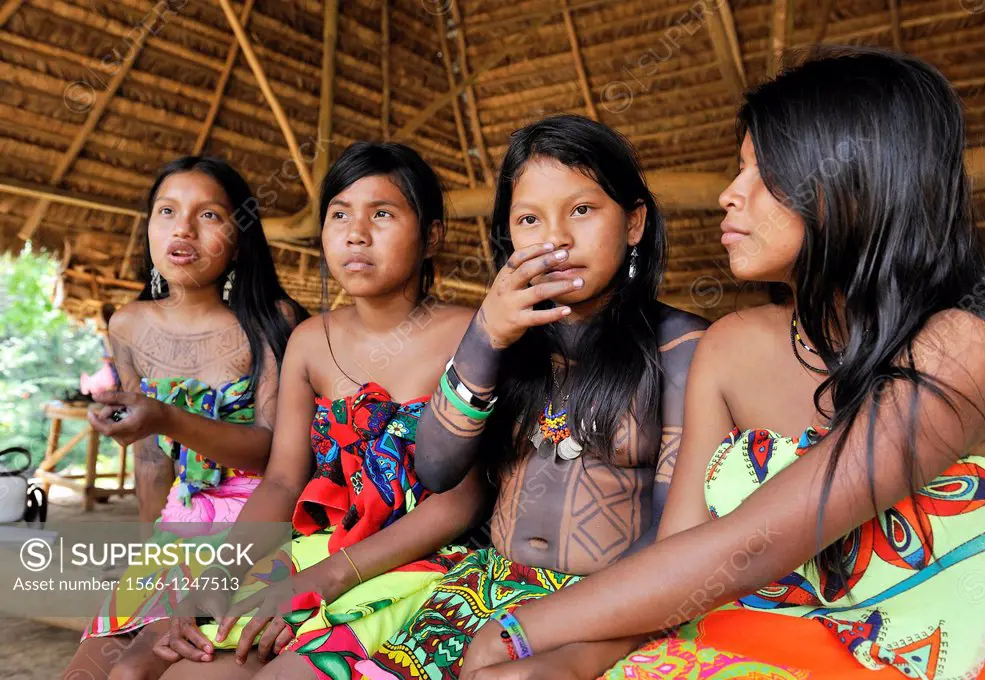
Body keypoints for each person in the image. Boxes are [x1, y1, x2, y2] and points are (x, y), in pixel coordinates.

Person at [454, 48, 985, 680]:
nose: (729, 194)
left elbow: (751, 545)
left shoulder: (964, 346)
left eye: (763, 173)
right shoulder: (730, 348)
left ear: (857, 184)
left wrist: (525, 628)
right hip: (747, 639)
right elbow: (680, 562)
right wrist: (570, 663)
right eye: (738, 169)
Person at [357, 114, 708, 680]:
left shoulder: (683, 348)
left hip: (613, 605)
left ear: (635, 221)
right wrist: (486, 335)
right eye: (529, 219)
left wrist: (559, 632)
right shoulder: (501, 344)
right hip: (483, 587)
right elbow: (437, 469)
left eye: (583, 210)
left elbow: (679, 534)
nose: (556, 239)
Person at [152, 142, 489, 680]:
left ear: (432, 237)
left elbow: (462, 503)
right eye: (339, 215)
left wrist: (327, 580)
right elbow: (283, 482)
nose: (356, 233)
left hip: (426, 564)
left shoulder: (474, 335)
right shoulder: (309, 341)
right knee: (190, 672)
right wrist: (215, 582)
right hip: (319, 550)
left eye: (382, 213)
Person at [64, 156, 307, 679]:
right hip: (178, 524)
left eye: (209, 215)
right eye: (166, 211)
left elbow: (271, 451)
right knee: (85, 672)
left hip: (254, 525)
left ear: (240, 237)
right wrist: (147, 550)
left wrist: (165, 418)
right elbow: (151, 461)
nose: (183, 228)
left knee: (133, 672)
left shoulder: (270, 321)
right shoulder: (129, 324)